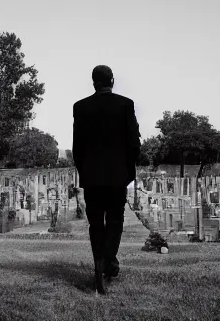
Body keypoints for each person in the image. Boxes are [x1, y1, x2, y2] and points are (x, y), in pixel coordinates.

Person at [72, 65, 141, 295]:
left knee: (95, 224)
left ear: (94, 82)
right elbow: (134, 144)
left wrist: (84, 171)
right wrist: (129, 170)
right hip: (116, 176)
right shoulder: (125, 105)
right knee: (114, 220)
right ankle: (108, 260)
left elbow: (77, 148)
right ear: (112, 80)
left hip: (91, 176)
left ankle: (100, 262)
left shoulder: (80, 107)